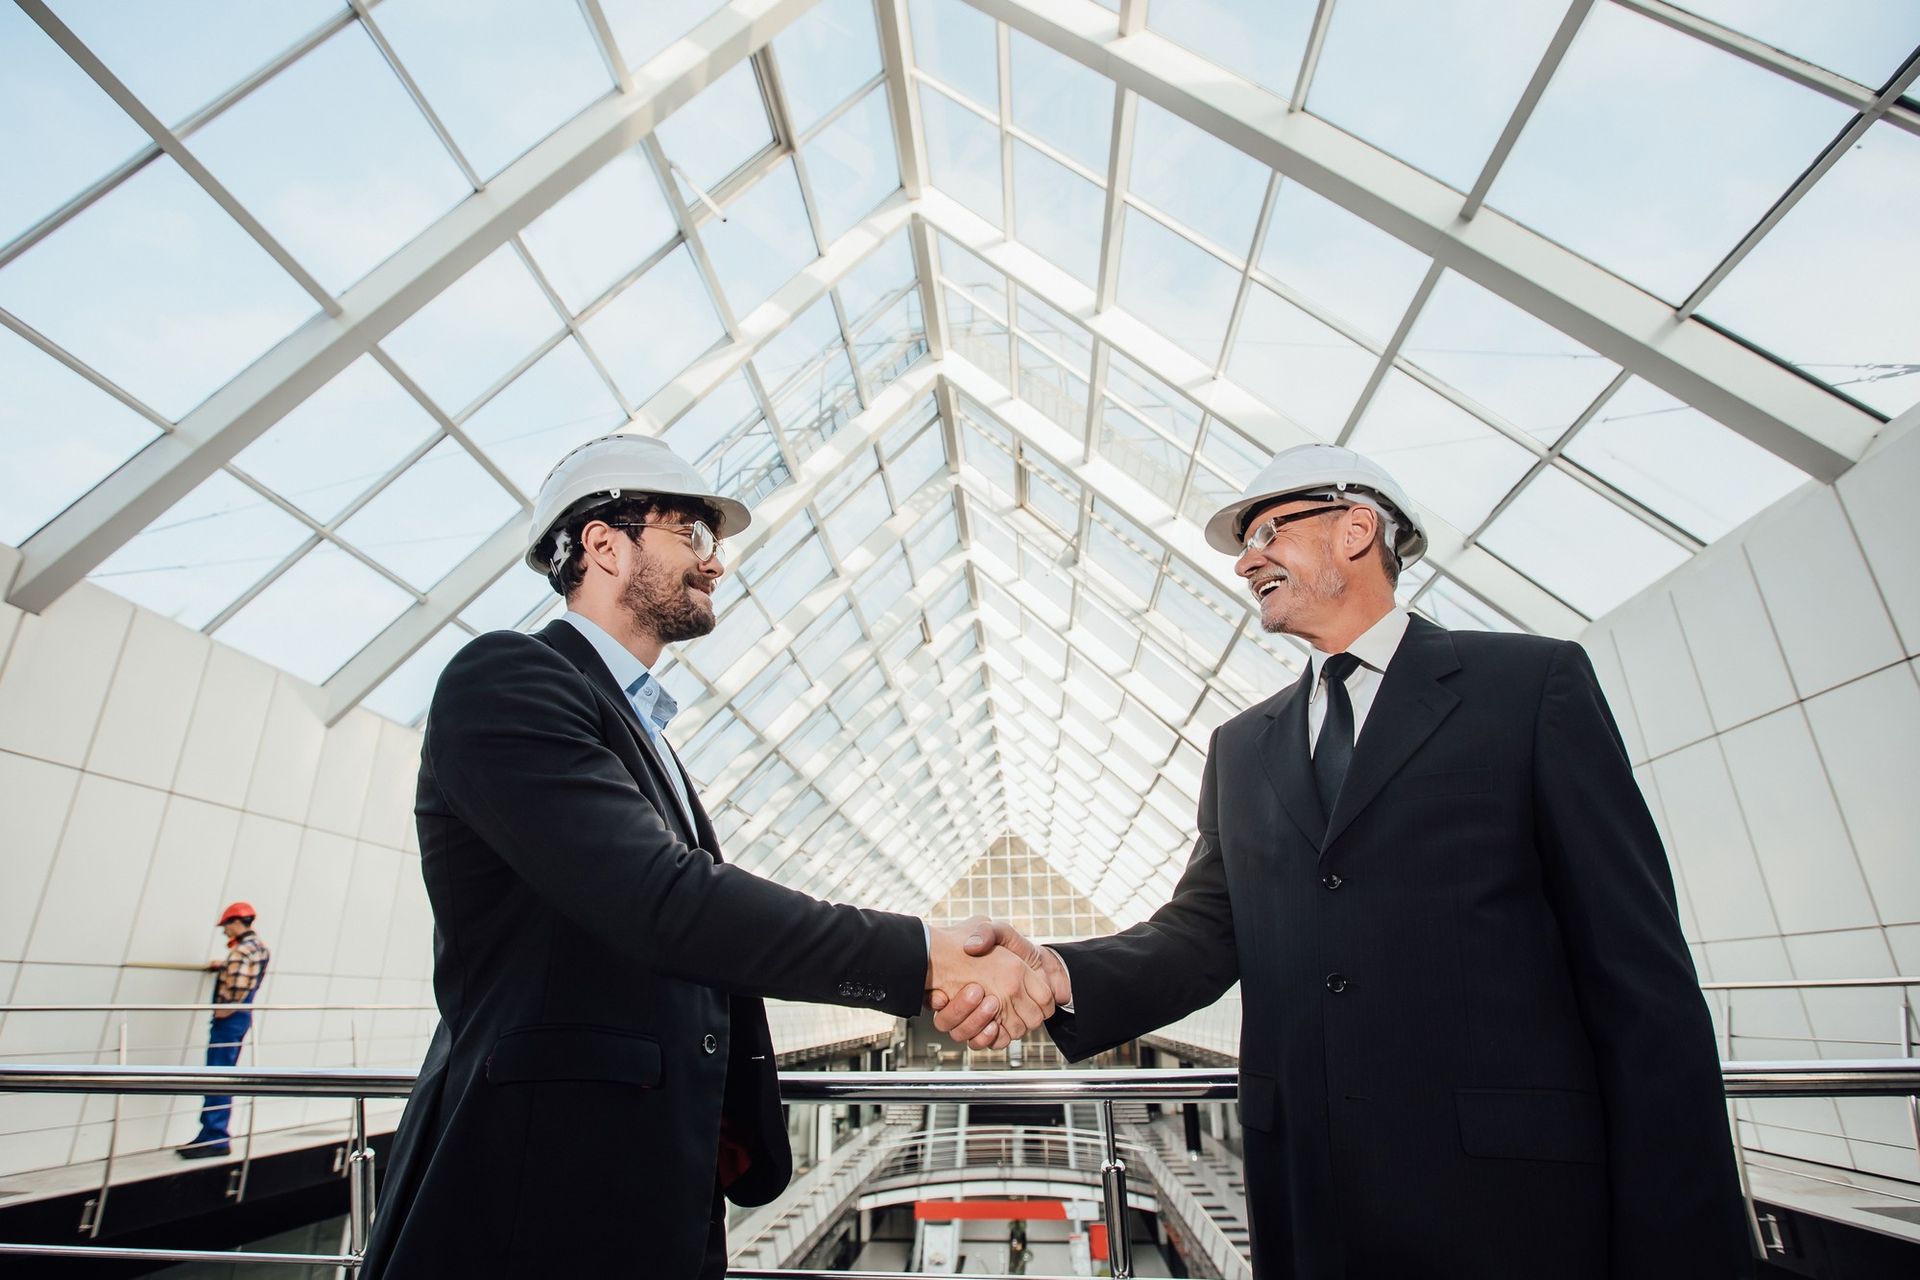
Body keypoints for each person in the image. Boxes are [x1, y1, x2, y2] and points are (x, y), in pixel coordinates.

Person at [935, 444, 1751, 1278]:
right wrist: (1058, 972)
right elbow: (1204, 933)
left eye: (1268, 531)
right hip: (1313, 1205)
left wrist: (1686, 1241)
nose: (1248, 560)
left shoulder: (1529, 687)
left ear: (1358, 528)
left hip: (1511, 1206)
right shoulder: (1242, 747)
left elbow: (1636, 971)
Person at [362, 435, 1051, 1278]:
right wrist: (922, 955)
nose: (715, 563)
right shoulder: (506, 679)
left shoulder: (636, 732)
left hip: (644, 1189)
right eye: (691, 533)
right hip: (534, 1194)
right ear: (603, 546)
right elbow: (665, 903)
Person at [178, 901, 269, 1159]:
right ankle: (211, 1133)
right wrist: (223, 966)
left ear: (236, 922)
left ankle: (215, 1136)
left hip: (230, 1019)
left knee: (217, 1075)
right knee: (221, 1074)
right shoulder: (259, 948)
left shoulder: (241, 952)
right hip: (242, 1018)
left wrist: (222, 1011)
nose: (224, 932)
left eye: (225, 926)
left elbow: (238, 987)